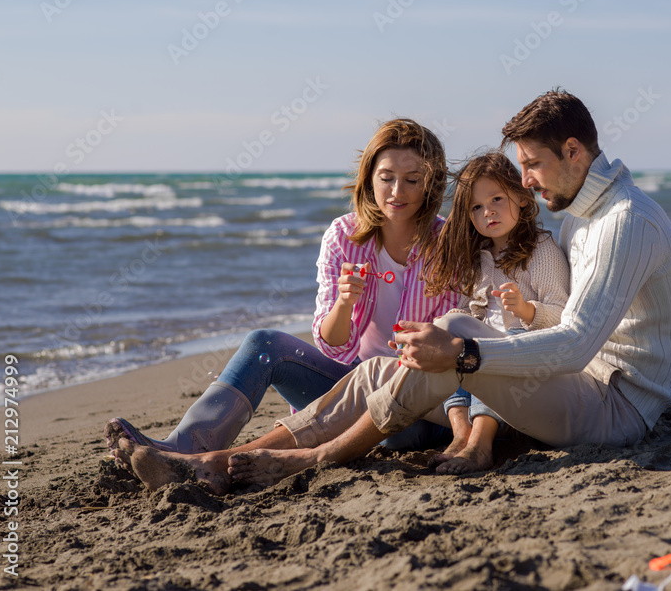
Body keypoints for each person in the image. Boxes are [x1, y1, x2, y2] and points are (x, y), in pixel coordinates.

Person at [115, 90, 671, 495]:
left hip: (617, 407)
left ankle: (308, 457)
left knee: (453, 338)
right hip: (575, 388)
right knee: (390, 364)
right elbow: (339, 337)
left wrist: (467, 356)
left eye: (533, 166)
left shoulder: (623, 222)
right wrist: (455, 346)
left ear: (574, 151)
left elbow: (572, 345)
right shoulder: (585, 217)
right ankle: (219, 458)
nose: (527, 182)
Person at [105, 118, 459, 460]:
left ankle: (216, 457)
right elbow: (333, 344)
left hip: (417, 410)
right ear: (369, 179)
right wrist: (345, 303)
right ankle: (185, 446)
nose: (397, 192)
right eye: (386, 178)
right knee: (264, 343)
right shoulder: (343, 237)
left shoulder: (450, 244)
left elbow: (463, 334)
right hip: (351, 391)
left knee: (399, 408)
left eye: (412, 180)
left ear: (431, 184)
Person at [423, 151, 569, 474]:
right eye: (476, 207)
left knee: (503, 340)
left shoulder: (540, 250)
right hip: (482, 370)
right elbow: (464, 313)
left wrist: (526, 310)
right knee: (449, 338)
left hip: (525, 368)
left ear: (522, 196)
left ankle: (481, 444)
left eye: (497, 199)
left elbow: (563, 317)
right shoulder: (478, 257)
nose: (487, 212)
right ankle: (461, 433)